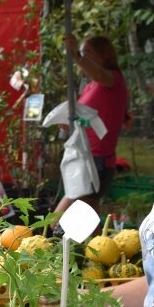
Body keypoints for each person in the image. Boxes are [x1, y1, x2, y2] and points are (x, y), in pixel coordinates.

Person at [54, 34, 129, 217]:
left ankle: (44, 237)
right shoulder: (92, 85)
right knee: (88, 207)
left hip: (97, 157)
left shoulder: (112, 79)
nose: (81, 55)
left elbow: (99, 73)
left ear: (104, 56)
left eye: (87, 51)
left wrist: (78, 58)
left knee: (76, 202)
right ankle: (89, 243)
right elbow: (92, 116)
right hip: (88, 154)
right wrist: (70, 124)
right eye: (81, 51)